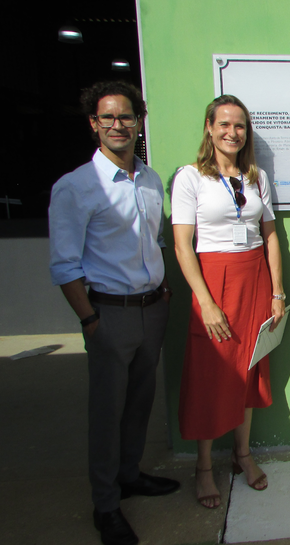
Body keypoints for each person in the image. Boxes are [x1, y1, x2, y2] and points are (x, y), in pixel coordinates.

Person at [49, 80, 179, 545]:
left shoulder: (150, 179)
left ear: (138, 121)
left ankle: (130, 475)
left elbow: (155, 241)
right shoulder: (76, 188)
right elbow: (64, 265)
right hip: (109, 314)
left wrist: (163, 290)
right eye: (108, 118)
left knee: (141, 403)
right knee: (107, 411)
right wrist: (90, 321)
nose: (118, 125)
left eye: (126, 116)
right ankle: (106, 505)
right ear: (93, 125)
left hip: (151, 309)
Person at [172, 94, 286, 509]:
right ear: (209, 127)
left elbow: (270, 235)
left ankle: (242, 454)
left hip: (255, 278)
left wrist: (277, 291)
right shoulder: (190, 177)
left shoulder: (257, 177)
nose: (232, 132)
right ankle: (204, 466)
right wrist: (205, 301)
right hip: (214, 283)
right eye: (224, 124)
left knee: (250, 369)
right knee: (211, 373)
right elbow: (184, 245)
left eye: (239, 125)